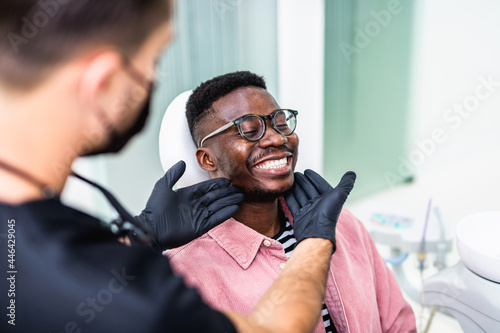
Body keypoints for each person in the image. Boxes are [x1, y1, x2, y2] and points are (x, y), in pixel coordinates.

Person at [0, 1, 355, 332]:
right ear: (103, 82)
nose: (152, 81)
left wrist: (141, 232)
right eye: (152, 60)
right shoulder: (142, 300)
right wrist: (315, 242)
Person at [165, 71, 417, 333]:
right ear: (207, 159)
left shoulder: (340, 224)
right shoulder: (185, 275)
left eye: (281, 123)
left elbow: (399, 325)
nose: (277, 138)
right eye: (249, 129)